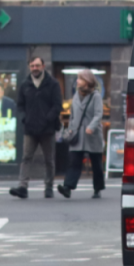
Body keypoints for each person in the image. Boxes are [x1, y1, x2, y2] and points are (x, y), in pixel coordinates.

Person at [10, 56, 62, 199]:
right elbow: (19, 105)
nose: (35, 68)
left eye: (37, 65)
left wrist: (48, 119)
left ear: (43, 66)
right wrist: (24, 118)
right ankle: (22, 187)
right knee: (26, 157)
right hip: (30, 129)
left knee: (49, 159)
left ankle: (49, 187)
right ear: (29, 67)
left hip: (47, 129)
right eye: (32, 66)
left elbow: (57, 105)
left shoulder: (53, 84)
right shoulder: (25, 84)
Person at [57, 69, 105, 199]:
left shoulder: (96, 96)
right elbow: (73, 115)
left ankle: (97, 189)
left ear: (87, 81)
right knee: (74, 161)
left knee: (96, 164)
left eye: (80, 79)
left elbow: (98, 114)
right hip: (77, 134)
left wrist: (91, 127)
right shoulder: (76, 96)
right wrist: (71, 129)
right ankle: (67, 187)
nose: (77, 81)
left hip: (92, 134)